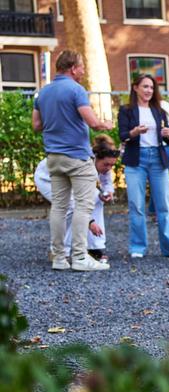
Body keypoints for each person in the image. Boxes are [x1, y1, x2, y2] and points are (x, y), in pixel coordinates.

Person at [32, 49, 114, 272]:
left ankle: (59, 258)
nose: (83, 71)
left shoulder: (43, 92)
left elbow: (36, 125)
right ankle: (79, 257)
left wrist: (57, 121)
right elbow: (93, 122)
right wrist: (106, 124)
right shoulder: (76, 90)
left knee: (59, 207)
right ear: (72, 68)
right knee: (84, 206)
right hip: (77, 157)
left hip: (54, 157)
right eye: (81, 67)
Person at [118, 74, 169, 259]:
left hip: (157, 158)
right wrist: (134, 132)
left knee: (164, 205)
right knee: (136, 205)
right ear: (135, 88)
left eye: (152, 87)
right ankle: (138, 247)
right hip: (135, 160)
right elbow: (122, 135)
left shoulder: (159, 110)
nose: (149, 90)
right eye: (145, 86)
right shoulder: (126, 110)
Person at [34, 135, 119, 263]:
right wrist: (90, 222)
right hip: (47, 178)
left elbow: (106, 180)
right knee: (67, 208)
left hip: (71, 179)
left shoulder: (101, 162)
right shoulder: (83, 162)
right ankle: (60, 252)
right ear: (96, 157)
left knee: (96, 199)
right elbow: (75, 200)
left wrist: (107, 192)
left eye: (112, 165)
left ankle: (94, 247)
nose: (108, 168)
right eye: (106, 164)